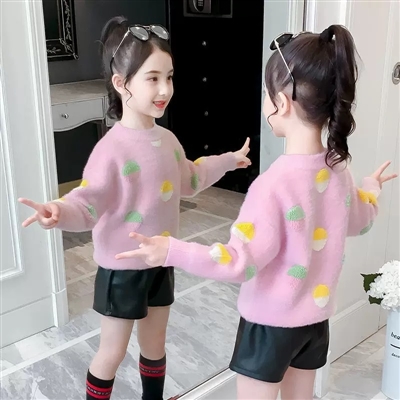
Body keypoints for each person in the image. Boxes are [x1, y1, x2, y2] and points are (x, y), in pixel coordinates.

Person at [114, 25, 398, 400]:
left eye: (266, 94)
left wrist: (170, 250)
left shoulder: (272, 185)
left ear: (282, 102)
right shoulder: (338, 170)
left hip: (268, 328)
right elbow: (361, 220)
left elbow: (238, 262)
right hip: (314, 326)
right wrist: (371, 188)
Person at [18, 16, 251, 400]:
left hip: (161, 260)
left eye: (169, 77)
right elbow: (86, 203)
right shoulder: (110, 150)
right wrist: (58, 211)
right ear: (121, 83)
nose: (165, 89)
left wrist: (227, 160)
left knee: (155, 344)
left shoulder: (168, 140)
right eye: (153, 78)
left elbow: (190, 179)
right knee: (112, 352)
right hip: (122, 271)